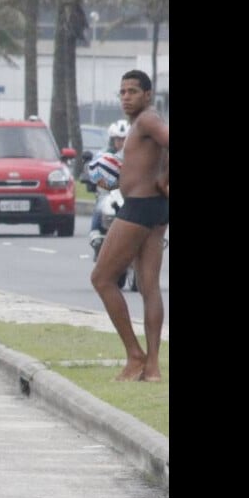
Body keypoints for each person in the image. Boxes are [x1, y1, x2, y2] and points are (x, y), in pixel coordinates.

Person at [89, 70, 169, 382]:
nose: (126, 97)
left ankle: (135, 356)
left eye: (133, 91)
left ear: (147, 95)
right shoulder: (143, 122)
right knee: (149, 285)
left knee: (101, 278)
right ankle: (152, 367)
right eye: (122, 92)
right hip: (156, 208)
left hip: (140, 207)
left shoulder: (148, 119)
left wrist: (165, 178)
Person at [86, 119, 130, 249]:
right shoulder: (103, 154)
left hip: (130, 192)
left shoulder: (138, 154)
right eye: (118, 139)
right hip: (109, 192)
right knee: (101, 203)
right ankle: (95, 233)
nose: (121, 143)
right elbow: (93, 169)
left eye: (124, 139)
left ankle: (152, 236)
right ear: (113, 139)